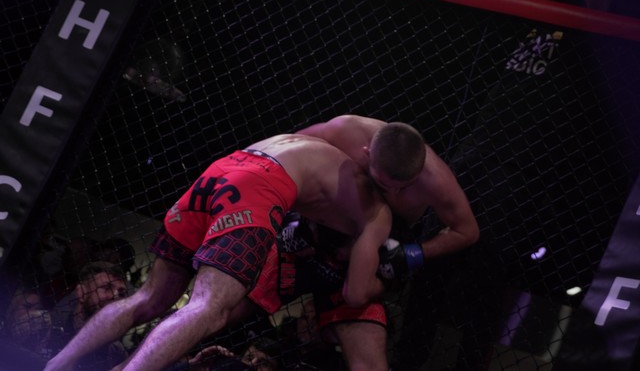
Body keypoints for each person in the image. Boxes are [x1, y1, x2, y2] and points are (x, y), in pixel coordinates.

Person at [44, 132, 421, 371]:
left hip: (227, 167)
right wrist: (389, 278)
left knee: (148, 297)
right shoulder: (378, 214)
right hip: (260, 190)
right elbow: (356, 293)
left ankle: (56, 365)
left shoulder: (334, 136)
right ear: (404, 186)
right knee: (207, 307)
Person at [296, 115, 479, 370]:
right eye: (383, 184)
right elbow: (278, 154)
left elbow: (468, 231)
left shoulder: (436, 180)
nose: (392, 193)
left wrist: (412, 254)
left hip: (372, 252)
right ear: (367, 153)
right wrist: (291, 211)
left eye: (403, 188)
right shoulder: (344, 132)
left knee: (357, 301)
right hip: (319, 231)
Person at [48, 261, 129, 369]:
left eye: (121, 293)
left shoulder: (116, 351)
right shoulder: (51, 329)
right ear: (82, 293)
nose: (115, 296)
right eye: (106, 288)